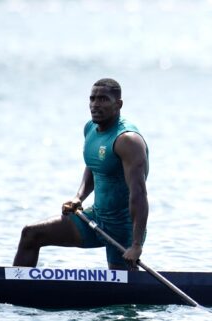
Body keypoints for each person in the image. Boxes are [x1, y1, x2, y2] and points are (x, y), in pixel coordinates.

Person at [13, 78, 149, 270]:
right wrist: (79, 197)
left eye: (103, 99)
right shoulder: (90, 129)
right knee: (31, 234)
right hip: (95, 218)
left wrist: (136, 245)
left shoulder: (128, 141)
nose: (95, 105)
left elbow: (139, 195)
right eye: (92, 99)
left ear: (118, 104)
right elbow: (95, 165)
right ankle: (16, 289)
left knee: (124, 293)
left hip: (123, 229)